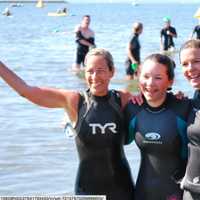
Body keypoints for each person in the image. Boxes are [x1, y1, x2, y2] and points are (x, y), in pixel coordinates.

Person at [0, 48, 135, 200]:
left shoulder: (123, 99)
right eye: (90, 71)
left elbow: (155, 100)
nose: (95, 76)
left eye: (101, 70)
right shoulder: (74, 101)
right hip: (87, 191)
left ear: (112, 72)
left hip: (122, 190)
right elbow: (26, 91)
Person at [124, 53, 192, 200]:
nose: (150, 83)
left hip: (177, 193)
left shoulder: (183, 109)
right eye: (146, 76)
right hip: (143, 191)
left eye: (158, 78)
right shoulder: (133, 109)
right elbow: (120, 141)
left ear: (170, 81)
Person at [179, 39, 200, 200]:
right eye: (185, 64)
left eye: (196, 62)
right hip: (190, 190)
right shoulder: (196, 96)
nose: (190, 68)